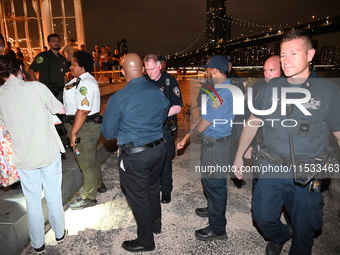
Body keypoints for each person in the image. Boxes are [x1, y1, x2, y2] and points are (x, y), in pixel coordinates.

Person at [233, 30, 340, 255]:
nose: (286, 60)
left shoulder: (330, 92)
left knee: (305, 229)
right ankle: (281, 236)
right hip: (272, 167)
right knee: (262, 216)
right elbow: (253, 121)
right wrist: (238, 155)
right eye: (282, 55)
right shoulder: (270, 88)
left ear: (310, 55)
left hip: (308, 171)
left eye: (293, 53)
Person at [101, 53, 170, 252]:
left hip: (136, 155)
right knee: (152, 188)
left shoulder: (119, 98)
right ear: (142, 69)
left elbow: (108, 133)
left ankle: (146, 241)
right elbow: (163, 115)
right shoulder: (158, 92)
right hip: (159, 149)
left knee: (138, 197)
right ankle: (155, 225)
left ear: (122, 72)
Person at [0, 55, 67, 253]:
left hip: (23, 155)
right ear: (20, 68)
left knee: (32, 200)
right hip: (47, 151)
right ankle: (59, 233)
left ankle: (37, 243)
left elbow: (3, 126)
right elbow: (60, 109)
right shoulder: (36, 87)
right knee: (53, 194)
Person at [177, 55, 234, 241]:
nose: (206, 72)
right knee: (210, 181)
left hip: (216, 146)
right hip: (214, 144)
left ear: (215, 71)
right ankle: (212, 209)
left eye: (208, 69)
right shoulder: (223, 88)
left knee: (215, 184)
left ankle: (217, 228)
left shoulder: (224, 92)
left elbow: (205, 121)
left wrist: (189, 136)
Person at [63, 50, 106, 210]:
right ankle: (98, 185)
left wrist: (73, 133)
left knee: (86, 164)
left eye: (74, 64)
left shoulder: (85, 84)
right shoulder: (78, 81)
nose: (71, 66)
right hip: (83, 126)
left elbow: (83, 111)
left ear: (82, 66)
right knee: (91, 159)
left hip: (84, 128)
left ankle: (89, 197)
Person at [143, 54, 183, 204]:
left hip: (163, 127)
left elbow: (178, 106)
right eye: (147, 69)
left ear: (160, 66)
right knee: (148, 160)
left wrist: (160, 115)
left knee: (166, 159)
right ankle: (150, 188)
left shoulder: (169, 81)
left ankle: (166, 190)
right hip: (147, 129)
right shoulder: (144, 81)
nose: (150, 72)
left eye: (152, 69)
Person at [243, 55, 282, 192]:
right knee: (260, 188)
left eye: (272, 70)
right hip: (262, 148)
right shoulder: (258, 90)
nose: (267, 75)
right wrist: (247, 146)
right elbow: (249, 119)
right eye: (265, 71)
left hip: (287, 153)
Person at [29, 34, 68, 99]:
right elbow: (31, 70)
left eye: (58, 41)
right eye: (53, 41)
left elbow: (64, 74)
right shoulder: (43, 56)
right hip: (47, 90)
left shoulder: (62, 58)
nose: (57, 43)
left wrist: (66, 85)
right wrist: (37, 86)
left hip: (60, 91)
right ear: (49, 43)